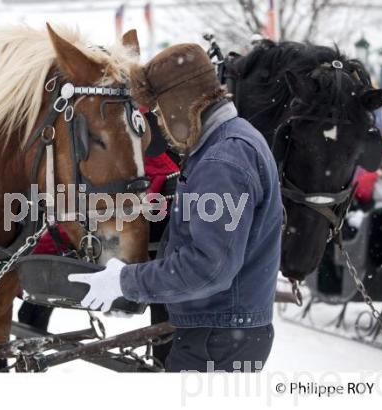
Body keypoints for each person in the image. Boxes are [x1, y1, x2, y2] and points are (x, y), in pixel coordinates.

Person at [69, 44, 283, 372]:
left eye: (158, 111)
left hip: (217, 340)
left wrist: (124, 281)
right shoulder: (237, 140)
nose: (159, 122)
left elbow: (210, 267)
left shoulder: (221, 162)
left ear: (178, 106)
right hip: (224, 331)